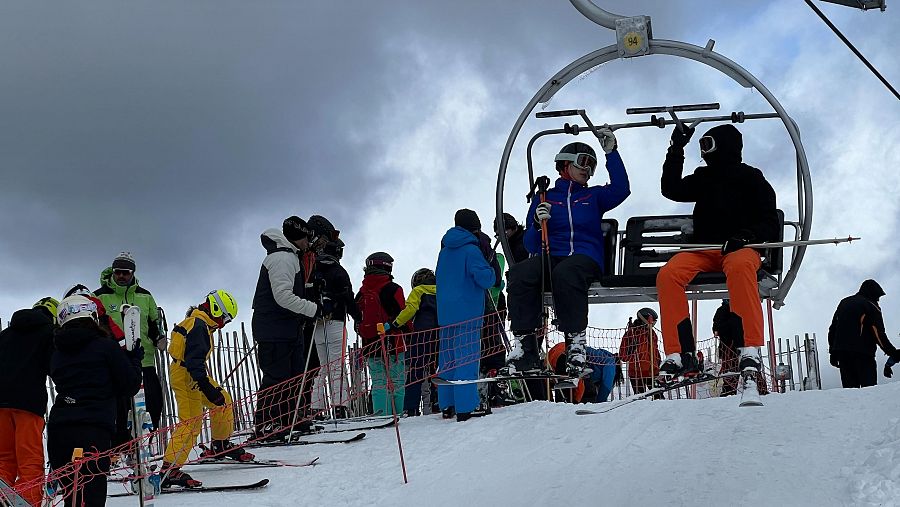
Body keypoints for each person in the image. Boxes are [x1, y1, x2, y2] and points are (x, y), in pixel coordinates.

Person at [656, 124, 780, 380]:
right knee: (669, 274)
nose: (704, 152)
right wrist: (676, 149)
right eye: (702, 146)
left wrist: (746, 236)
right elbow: (671, 188)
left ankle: (749, 347)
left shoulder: (751, 178)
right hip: (703, 250)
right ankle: (680, 353)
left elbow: (770, 221)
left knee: (740, 267)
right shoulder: (704, 177)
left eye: (708, 145)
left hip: (739, 250)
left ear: (723, 145)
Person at [506, 127, 630, 379]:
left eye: (592, 165)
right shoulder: (545, 198)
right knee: (520, 273)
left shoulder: (593, 196)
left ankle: (575, 344)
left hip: (584, 258)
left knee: (567, 272)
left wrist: (612, 153)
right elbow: (531, 245)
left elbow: (621, 189)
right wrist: (536, 223)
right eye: (584, 162)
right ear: (565, 164)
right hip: (553, 257)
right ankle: (526, 348)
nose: (588, 169)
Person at [46, 295, 142, 507]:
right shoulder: (105, 347)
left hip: (60, 428)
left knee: (72, 497)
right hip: (93, 429)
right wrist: (134, 359)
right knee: (92, 497)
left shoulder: (56, 353)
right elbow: (130, 385)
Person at [160, 290, 253, 488]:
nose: (224, 324)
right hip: (187, 376)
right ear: (217, 310)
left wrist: (211, 390)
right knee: (191, 422)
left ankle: (220, 444)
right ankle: (170, 470)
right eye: (225, 319)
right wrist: (207, 388)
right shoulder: (199, 326)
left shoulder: (198, 322)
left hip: (190, 372)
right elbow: (194, 362)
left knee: (223, 400)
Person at [251, 216, 320, 439]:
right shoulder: (282, 258)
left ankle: (288, 418)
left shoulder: (290, 256)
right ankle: (266, 424)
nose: (308, 242)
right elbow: (282, 296)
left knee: (294, 375)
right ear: (298, 236)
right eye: (306, 237)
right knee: (277, 377)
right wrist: (313, 309)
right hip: (274, 329)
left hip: (287, 328)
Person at [435, 209, 499, 422]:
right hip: (468, 314)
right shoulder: (471, 250)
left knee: (447, 360)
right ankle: (465, 407)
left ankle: (447, 405)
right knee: (466, 359)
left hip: (445, 314)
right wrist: (490, 267)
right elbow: (486, 279)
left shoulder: (444, 251)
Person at [94, 252, 165, 432]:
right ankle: (122, 444)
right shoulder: (100, 296)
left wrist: (159, 337)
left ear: (132, 273)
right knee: (120, 411)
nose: (121, 276)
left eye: (125, 272)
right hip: (115, 363)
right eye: (117, 272)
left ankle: (148, 439)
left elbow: (154, 322)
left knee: (153, 404)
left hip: (144, 361)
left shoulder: (145, 296)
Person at [0, 298, 57, 506]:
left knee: (3, 459)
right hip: (29, 403)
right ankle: (27, 502)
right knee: (29, 460)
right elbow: (54, 367)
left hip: (0, 403)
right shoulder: (49, 333)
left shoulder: (5, 334)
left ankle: (2, 497)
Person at [310, 234, 361, 420]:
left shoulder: (314, 269)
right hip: (337, 322)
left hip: (317, 323)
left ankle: (315, 408)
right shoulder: (339, 272)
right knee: (336, 366)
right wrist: (358, 317)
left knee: (322, 367)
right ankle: (340, 407)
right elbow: (348, 297)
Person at [355, 252, 407, 416]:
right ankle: (397, 414)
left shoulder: (362, 292)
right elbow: (404, 315)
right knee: (397, 381)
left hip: (370, 344)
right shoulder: (394, 289)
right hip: (393, 343)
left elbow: (357, 318)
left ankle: (381, 414)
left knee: (378, 382)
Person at [828, 279, 900, 388]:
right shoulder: (870, 305)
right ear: (872, 294)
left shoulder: (844, 302)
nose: (878, 300)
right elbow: (878, 333)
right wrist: (892, 352)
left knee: (850, 391)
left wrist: (833, 352)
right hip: (863, 354)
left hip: (842, 354)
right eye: (878, 297)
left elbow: (833, 329)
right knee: (868, 391)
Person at [392, 268, 438, 416]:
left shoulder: (419, 291)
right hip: (441, 333)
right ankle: (438, 402)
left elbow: (410, 309)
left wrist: (396, 323)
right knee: (437, 370)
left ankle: (411, 407)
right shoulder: (442, 290)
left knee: (416, 371)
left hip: (422, 335)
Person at [547, 342, 620, 403]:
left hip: (557, 352)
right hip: (565, 358)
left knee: (564, 389)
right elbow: (605, 388)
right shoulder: (610, 364)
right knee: (585, 393)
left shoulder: (601, 356)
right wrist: (599, 405)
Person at [618, 308, 662, 395]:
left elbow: (655, 352)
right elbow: (623, 356)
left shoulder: (652, 333)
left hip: (652, 372)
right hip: (636, 373)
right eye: (652, 321)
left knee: (659, 396)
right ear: (644, 319)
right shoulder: (632, 333)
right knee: (640, 398)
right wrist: (631, 348)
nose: (653, 324)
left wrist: (659, 365)